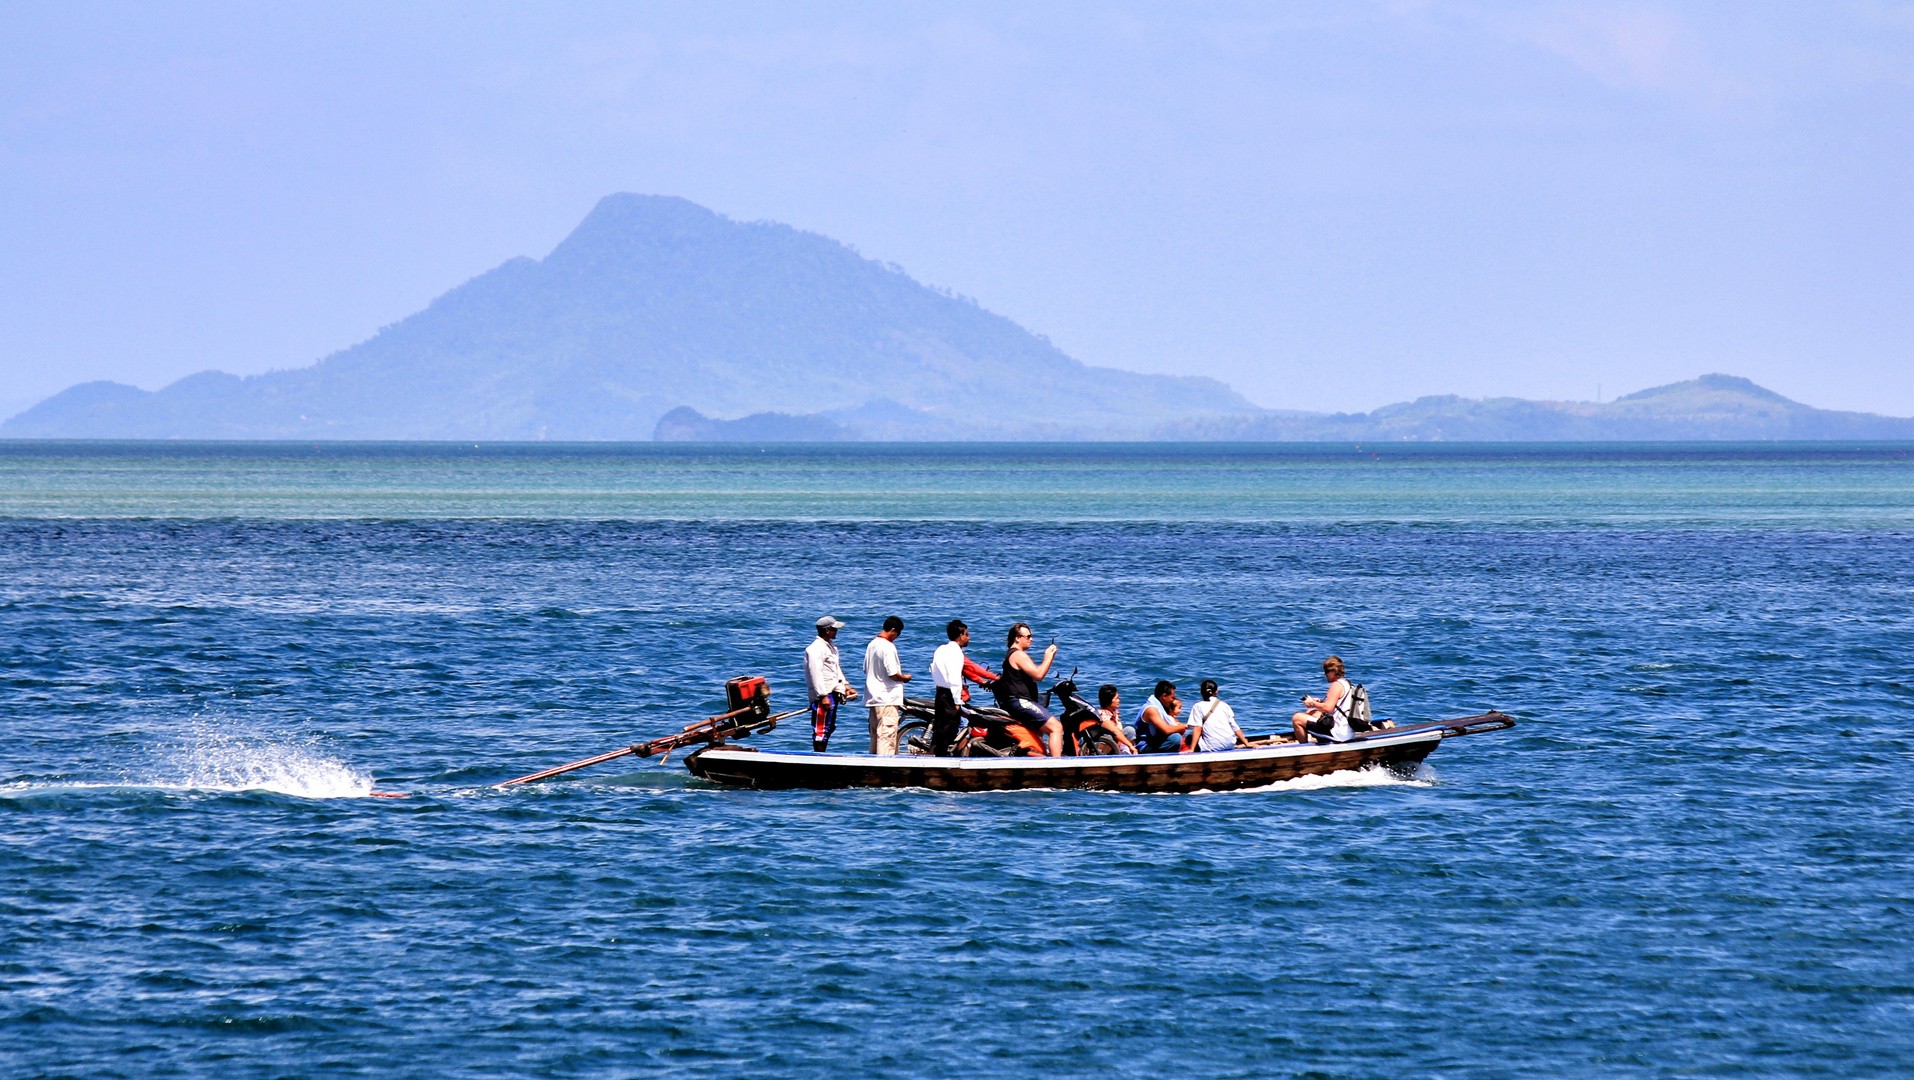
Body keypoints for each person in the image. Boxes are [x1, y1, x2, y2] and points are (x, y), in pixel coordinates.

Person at [995, 622, 1065, 756]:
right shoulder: (1018, 655)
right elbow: (1038, 675)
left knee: (1039, 731)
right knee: (1056, 727)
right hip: (1020, 702)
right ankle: (1057, 765)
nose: (1031, 639)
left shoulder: (1012, 655)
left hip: (1017, 702)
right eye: (1028, 636)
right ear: (1017, 638)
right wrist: (1049, 657)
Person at [804, 616, 858, 752]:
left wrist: (846, 686)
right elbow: (815, 672)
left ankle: (822, 756)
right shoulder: (815, 649)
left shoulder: (831, 647)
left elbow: (836, 669)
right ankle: (818, 760)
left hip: (833, 692)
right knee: (821, 731)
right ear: (827, 630)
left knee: (829, 728)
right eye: (834, 629)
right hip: (824, 694)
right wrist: (822, 695)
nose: (836, 631)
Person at [864, 616, 912, 755]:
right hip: (887, 698)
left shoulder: (872, 644)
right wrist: (905, 678)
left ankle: (872, 765)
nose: (897, 637)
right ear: (893, 630)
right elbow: (893, 674)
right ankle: (885, 769)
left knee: (875, 736)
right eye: (898, 633)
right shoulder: (888, 647)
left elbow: (866, 669)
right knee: (887, 736)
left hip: (873, 697)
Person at [928, 619, 970, 756]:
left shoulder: (941, 649)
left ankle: (935, 754)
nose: (968, 638)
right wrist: (957, 701)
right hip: (949, 695)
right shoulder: (956, 652)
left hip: (940, 692)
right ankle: (938, 758)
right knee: (947, 730)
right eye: (967, 634)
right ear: (961, 635)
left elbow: (932, 668)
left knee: (939, 728)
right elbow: (954, 678)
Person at [1291, 655, 1352, 744]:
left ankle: (1304, 749)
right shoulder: (1347, 683)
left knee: (1297, 718)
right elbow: (1336, 705)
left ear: (1334, 671)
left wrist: (1312, 703)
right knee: (1311, 712)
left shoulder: (1336, 685)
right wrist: (1319, 703)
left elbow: (1327, 708)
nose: (1325, 674)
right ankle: (1322, 739)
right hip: (1347, 731)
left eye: (1327, 671)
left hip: (1338, 733)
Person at [1186, 679, 1250, 753]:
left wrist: (1192, 749)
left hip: (1212, 746)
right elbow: (1234, 726)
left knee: (1189, 738)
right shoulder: (1225, 705)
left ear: (1201, 692)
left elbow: (1197, 728)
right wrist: (1246, 743)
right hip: (1230, 744)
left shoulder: (1198, 706)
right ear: (1216, 692)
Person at [1134, 680, 1188, 753]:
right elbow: (1166, 730)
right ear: (1164, 696)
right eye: (1172, 697)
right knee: (1175, 738)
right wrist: (1183, 726)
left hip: (1155, 740)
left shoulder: (1160, 707)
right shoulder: (1151, 709)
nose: (1173, 700)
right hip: (1145, 745)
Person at [1093, 684, 1139, 754]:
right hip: (1101, 745)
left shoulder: (1114, 713)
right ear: (1108, 700)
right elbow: (1115, 731)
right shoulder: (1102, 714)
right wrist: (1130, 745)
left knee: (1130, 730)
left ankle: (1127, 753)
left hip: (1115, 744)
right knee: (1109, 736)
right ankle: (1102, 757)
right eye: (1116, 698)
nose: (1119, 701)